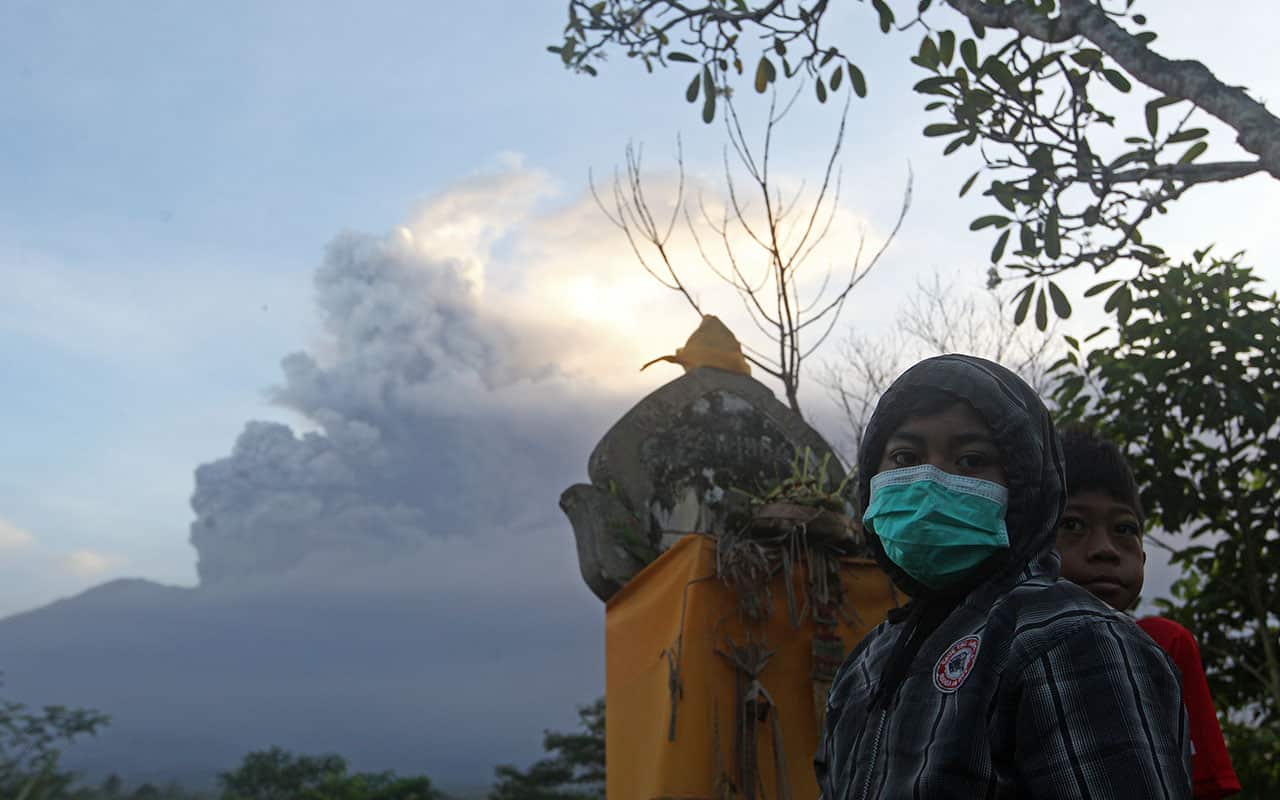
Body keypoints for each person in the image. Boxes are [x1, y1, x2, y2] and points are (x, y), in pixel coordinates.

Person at [815, 354, 1191, 799]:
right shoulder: (867, 664)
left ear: (1025, 486)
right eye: (905, 456)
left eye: (972, 460)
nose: (933, 481)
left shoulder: (1068, 638)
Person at [1056, 426, 1241, 799]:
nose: (1105, 549)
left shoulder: (1165, 645)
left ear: (1142, 555)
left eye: (1124, 529)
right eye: (1072, 525)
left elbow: (1206, 788)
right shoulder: (1001, 650)